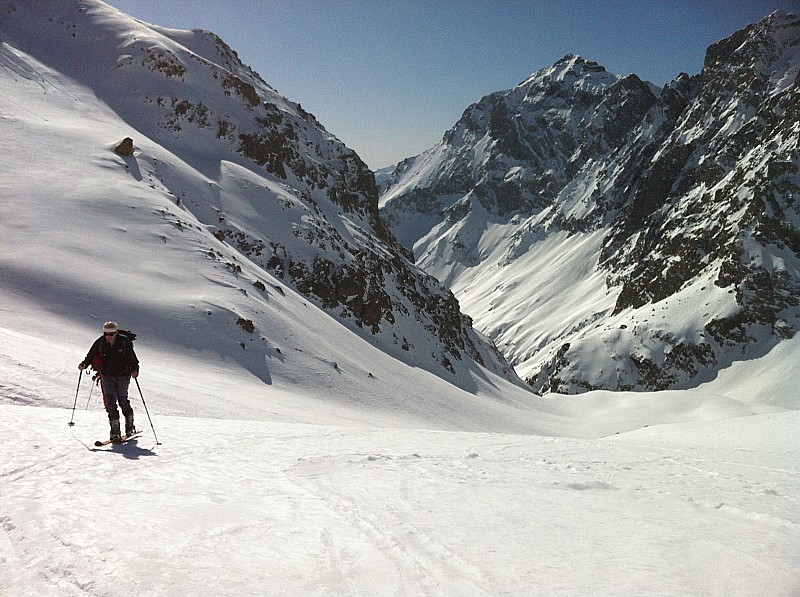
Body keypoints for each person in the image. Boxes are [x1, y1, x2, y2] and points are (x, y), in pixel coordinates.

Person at [79, 321, 140, 441]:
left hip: (123, 375)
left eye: (111, 334)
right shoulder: (100, 342)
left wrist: (135, 369)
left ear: (116, 332)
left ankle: (130, 426)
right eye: (106, 334)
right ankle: (115, 431)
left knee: (123, 401)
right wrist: (84, 364)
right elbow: (91, 355)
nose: (109, 336)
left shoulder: (124, 342)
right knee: (110, 403)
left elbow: (132, 358)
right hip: (107, 376)